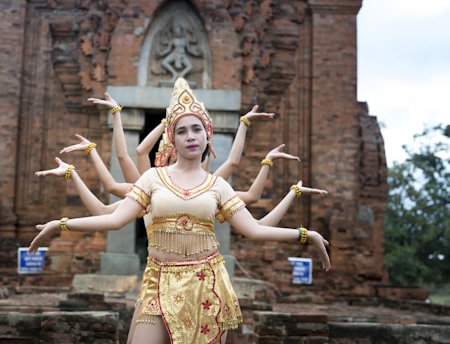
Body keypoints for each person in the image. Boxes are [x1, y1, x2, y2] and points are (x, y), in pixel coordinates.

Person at [29, 78, 331, 344]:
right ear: (172, 139)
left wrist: (305, 234)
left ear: (206, 135)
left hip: (207, 285)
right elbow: (113, 218)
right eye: (182, 130)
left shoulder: (217, 186)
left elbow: (254, 229)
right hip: (158, 282)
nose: (190, 136)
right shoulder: (152, 178)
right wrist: (62, 224)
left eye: (197, 129)